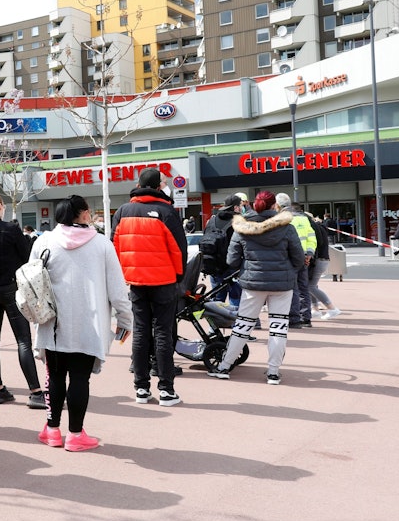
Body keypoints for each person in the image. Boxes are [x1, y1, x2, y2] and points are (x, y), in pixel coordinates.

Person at [31, 196, 132, 451]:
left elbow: (32, 282)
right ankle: (76, 435)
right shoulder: (101, 244)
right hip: (90, 323)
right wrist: (125, 319)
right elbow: (118, 289)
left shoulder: (43, 241)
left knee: (54, 376)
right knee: (79, 379)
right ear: (84, 214)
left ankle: (52, 430)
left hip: (52, 323)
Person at [208, 191, 303, 384]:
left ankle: (224, 366)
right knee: (278, 328)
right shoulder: (287, 227)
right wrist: (288, 271)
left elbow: (232, 260)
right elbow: (299, 258)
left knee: (242, 326)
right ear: (274, 206)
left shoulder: (242, 227)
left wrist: (248, 267)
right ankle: (273, 373)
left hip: (252, 284)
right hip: (282, 285)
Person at [111, 168, 187, 407]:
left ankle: (141, 389)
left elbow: (116, 246)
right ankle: (166, 390)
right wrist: (178, 276)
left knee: (141, 332)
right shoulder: (166, 211)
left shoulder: (123, 211)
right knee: (163, 332)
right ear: (158, 186)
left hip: (135, 281)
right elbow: (179, 249)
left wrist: (125, 273)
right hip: (163, 281)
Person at [0, 191, 45, 409]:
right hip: (10, 287)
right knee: (23, 339)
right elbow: (25, 256)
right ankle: (35, 391)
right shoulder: (11, 228)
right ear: (0, 206)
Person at [275, 194, 316, 328]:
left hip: (289, 258)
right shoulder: (304, 218)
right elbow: (311, 237)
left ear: (278, 205)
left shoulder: (281, 218)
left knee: (291, 289)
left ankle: (294, 318)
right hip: (304, 257)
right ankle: (306, 318)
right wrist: (309, 253)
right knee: (303, 288)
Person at [201, 194, 242, 308]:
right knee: (236, 298)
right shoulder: (238, 221)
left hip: (214, 266)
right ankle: (236, 323)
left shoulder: (212, 220)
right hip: (232, 268)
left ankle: (215, 324)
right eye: (240, 205)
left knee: (217, 300)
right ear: (235, 208)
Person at [307, 213, 341, 320]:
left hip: (319, 259)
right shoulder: (320, 227)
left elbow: (317, 244)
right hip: (323, 259)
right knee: (312, 286)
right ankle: (315, 309)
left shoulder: (314, 228)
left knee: (310, 286)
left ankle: (331, 308)